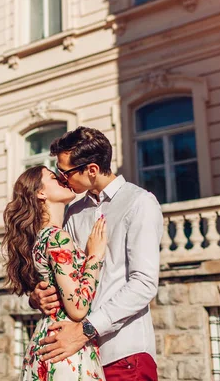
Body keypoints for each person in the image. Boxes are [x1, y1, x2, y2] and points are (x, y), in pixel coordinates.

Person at [29, 127, 162, 381]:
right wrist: (39, 295)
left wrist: (86, 330)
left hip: (124, 354)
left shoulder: (139, 203)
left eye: (65, 172)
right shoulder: (74, 212)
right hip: (79, 357)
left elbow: (144, 284)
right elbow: (66, 279)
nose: (62, 178)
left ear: (91, 169)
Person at [3, 165, 108, 380]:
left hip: (46, 343)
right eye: (53, 177)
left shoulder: (41, 237)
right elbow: (77, 308)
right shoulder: (57, 238)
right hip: (64, 348)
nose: (62, 178)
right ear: (41, 193)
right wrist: (94, 257)